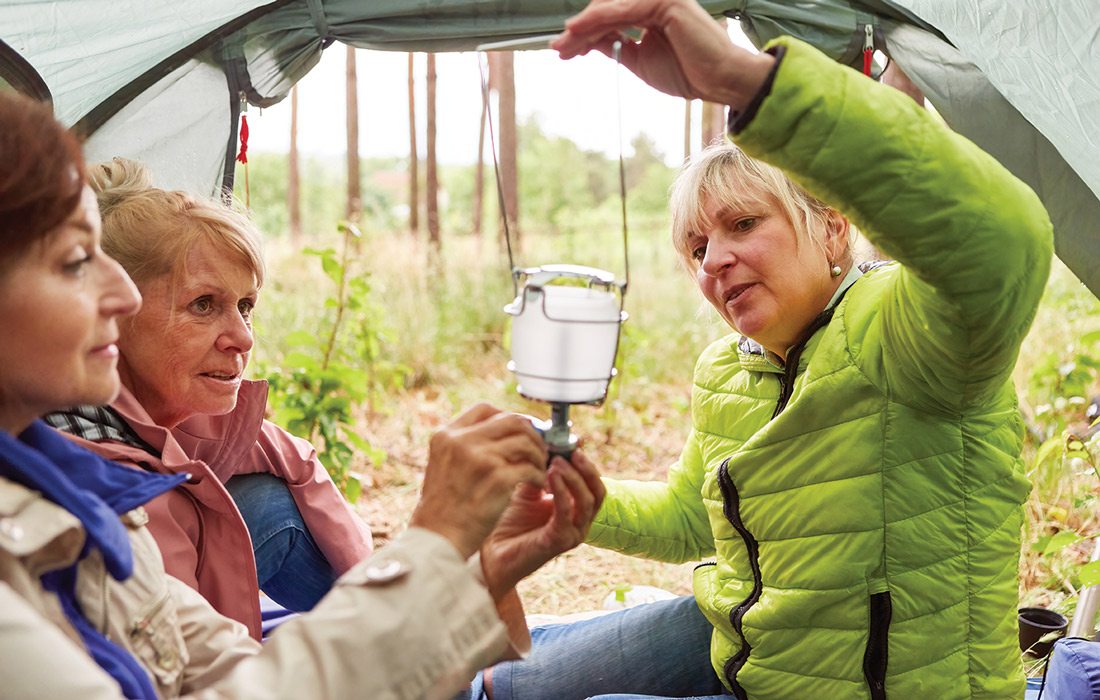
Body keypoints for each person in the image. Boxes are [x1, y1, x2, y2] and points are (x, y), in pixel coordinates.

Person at [464, 1, 1053, 698]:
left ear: (833, 229)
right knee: (478, 676)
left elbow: (1001, 245)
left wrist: (747, 82)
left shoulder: (908, 338)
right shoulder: (726, 369)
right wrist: (576, 502)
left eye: (743, 223)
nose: (713, 261)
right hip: (744, 653)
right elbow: (694, 517)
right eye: (696, 246)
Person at [0, 88, 604, 698]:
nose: (123, 295)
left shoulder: (71, 496)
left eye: (245, 307)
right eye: (77, 259)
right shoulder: (74, 508)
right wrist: (434, 542)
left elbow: (235, 669)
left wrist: (479, 569)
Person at [43, 157, 370, 637]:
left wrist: (381, 591)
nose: (243, 337)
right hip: (160, 664)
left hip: (198, 638)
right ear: (111, 310)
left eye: (245, 306)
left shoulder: (169, 406)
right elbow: (187, 671)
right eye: (203, 304)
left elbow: (291, 456)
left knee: (269, 503)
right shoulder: (101, 475)